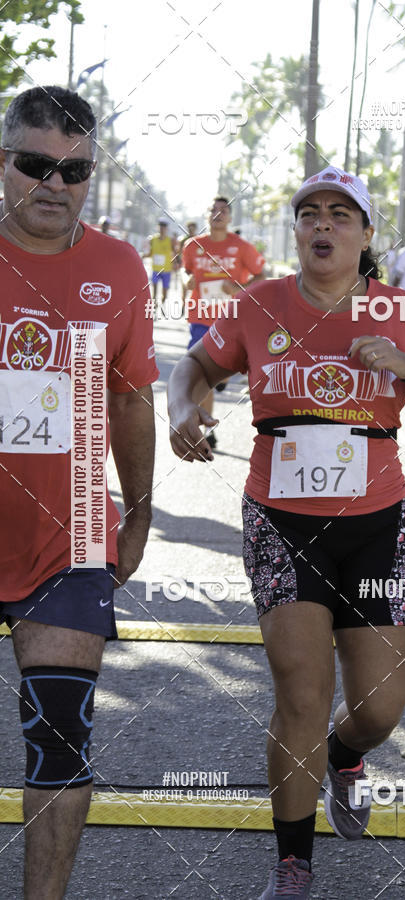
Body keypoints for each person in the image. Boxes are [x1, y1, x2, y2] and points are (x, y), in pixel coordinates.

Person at [168, 165, 405, 898]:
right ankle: (294, 862)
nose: (322, 225)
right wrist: (185, 409)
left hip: (375, 527)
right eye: (310, 212)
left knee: (379, 707)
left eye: (341, 215)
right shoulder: (258, 303)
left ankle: (345, 756)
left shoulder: (404, 312)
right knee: (301, 693)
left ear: (367, 234)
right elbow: (195, 365)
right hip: (280, 523)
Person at [0, 85, 158, 898]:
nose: (55, 185)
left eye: (76, 171)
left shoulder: (119, 268)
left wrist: (139, 508)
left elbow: (131, 398)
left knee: (59, 737)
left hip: (71, 538)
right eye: (36, 165)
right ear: (4, 163)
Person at [181, 195, 265, 447]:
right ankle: (208, 429)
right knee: (203, 375)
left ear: (230, 217)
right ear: (207, 215)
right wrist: (188, 282)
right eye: (213, 210)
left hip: (232, 319)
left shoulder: (241, 247)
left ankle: (224, 378)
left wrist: (240, 288)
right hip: (200, 318)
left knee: (218, 373)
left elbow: (261, 274)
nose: (218, 214)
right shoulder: (192, 246)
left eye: (223, 210)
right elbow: (186, 274)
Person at [144, 216, 177, 314]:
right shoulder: (152, 239)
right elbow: (150, 253)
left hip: (166, 270)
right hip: (155, 269)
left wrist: (175, 264)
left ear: (166, 228)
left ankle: (161, 304)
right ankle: (154, 306)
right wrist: (143, 256)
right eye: (160, 226)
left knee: (165, 293)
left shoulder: (170, 240)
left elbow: (175, 253)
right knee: (154, 290)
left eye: (164, 226)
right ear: (158, 227)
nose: (162, 228)